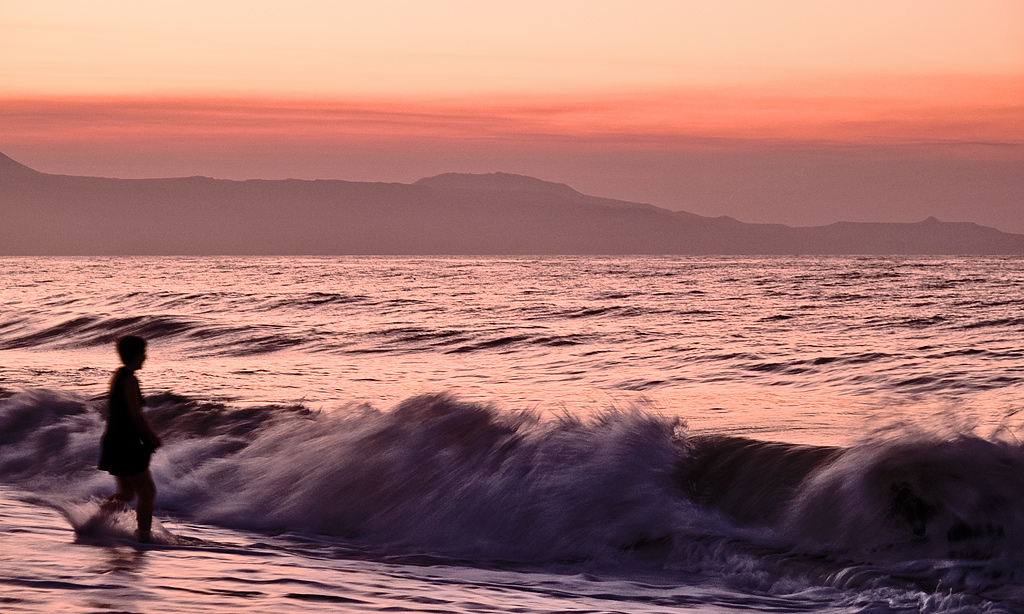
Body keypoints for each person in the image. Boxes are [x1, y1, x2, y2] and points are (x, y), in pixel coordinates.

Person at [98, 335, 162, 542]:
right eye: (143, 353)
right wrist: (151, 438)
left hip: (114, 441)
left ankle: (94, 523)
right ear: (136, 355)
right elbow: (136, 414)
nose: (145, 357)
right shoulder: (129, 379)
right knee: (147, 492)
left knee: (126, 493)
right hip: (125, 443)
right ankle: (144, 538)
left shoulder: (119, 375)